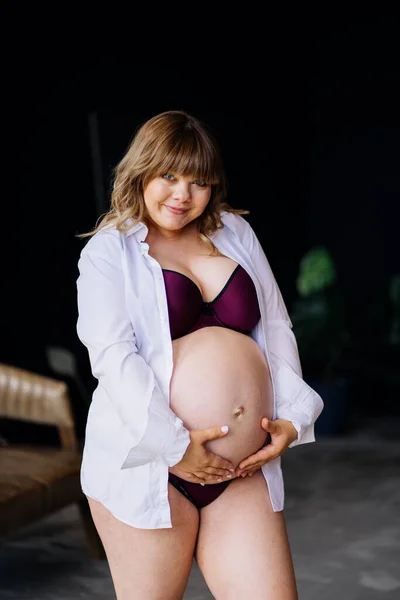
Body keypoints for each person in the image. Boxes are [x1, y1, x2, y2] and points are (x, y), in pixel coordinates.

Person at [76, 109, 324, 599]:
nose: (182, 195)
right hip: (151, 468)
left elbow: (275, 327)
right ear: (142, 170)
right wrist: (176, 448)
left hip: (241, 468)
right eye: (169, 175)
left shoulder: (234, 231)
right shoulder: (110, 252)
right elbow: (113, 358)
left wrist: (293, 418)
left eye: (199, 181)